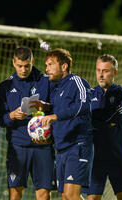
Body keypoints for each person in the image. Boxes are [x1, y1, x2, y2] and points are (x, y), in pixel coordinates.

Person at [32, 48, 94, 200]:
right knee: (66, 197)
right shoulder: (56, 89)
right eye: (46, 65)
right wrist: (45, 108)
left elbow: (84, 106)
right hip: (61, 149)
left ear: (64, 66)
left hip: (77, 145)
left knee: (72, 196)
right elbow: (57, 113)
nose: (47, 69)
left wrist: (54, 116)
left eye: (51, 64)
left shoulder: (76, 82)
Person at [0, 47, 55, 200]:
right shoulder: (5, 86)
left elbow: (57, 109)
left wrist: (45, 106)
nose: (23, 69)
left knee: (43, 193)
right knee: (15, 192)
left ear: (32, 62)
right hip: (18, 146)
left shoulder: (45, 81)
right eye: (19, 66)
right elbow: (0, 120)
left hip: (43, 146)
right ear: (13, 63)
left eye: (27, 66)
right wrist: (12, 115)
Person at [82, 54, 122, 200]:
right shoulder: (89, 94)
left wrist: (95, 120)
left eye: (105, 71)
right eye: (98, 70)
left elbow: (120, 114)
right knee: (93, 198)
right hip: (96, 157)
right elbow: (83, 118)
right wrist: (105, 122)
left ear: (114, 73)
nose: (101, 74)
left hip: (118, 156)